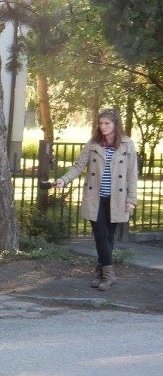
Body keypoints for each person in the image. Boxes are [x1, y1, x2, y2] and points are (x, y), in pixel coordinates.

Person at [54, 108, 138, 291]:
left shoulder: (127, 144)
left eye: (107, 123)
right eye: (101, 123)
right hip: (95, 198)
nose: (103, 127)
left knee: (108, 237)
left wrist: (131, 199)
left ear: (116, 124)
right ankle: (110, 276)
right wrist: (63, 180)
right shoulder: (93, 144)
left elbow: (132, 174)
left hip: (117, 198)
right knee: (100, 236)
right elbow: (78, 167)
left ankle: (100, 273)